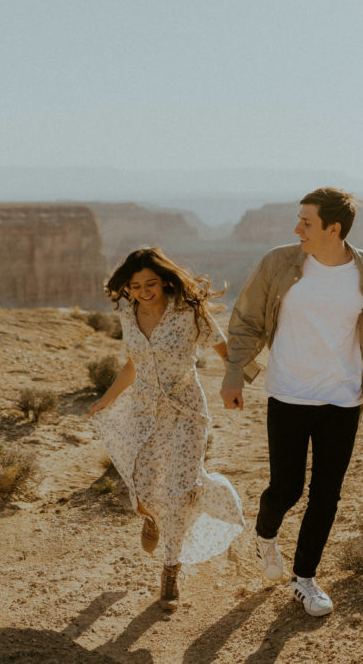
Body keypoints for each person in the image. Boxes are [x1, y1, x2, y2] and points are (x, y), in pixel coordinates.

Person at [220, 187, 363, 617]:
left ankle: (304, 579)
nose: (296, 228)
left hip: (343, 397)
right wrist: (233, 374)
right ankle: (264, 535)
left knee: (326, 494)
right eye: (298, 219)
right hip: (289, 392)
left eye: (306, 221)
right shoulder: (279, 263)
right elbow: (245, 320)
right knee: (287, 488)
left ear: (333, 229)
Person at [88, 247, 245, 610]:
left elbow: (225, 351)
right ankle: (150, 517)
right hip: (143, 411)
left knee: (180, 490)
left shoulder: (187, 311)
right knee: (141, 484)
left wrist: (234, 384)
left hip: (186, 411)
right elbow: (133, 364)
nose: (144, 291)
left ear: (164, 281)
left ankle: (170, 571)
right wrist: (107, 399)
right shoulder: (128, 313)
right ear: (127, 287)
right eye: (136, 285)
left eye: (151, 283)